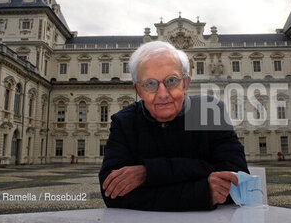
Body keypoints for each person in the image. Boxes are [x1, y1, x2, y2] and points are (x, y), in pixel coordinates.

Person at [98, 41, 248, 211]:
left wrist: (148, 173)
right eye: (150, 84)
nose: (163, 94)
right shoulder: (124, 122)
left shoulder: (210, 112)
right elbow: (112, 193)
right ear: (138, 91)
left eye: (171, 81)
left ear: (185, 84)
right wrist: (201, 191)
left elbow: (237, 180)